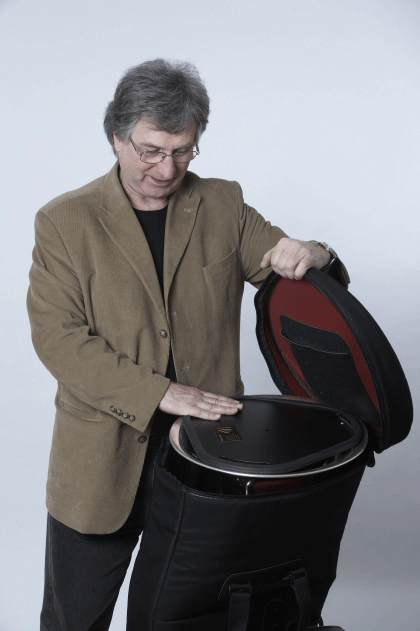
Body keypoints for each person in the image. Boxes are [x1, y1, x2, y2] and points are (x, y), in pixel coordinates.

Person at [27, 58, 349, 631]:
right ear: (116, 137)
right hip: (98, 463)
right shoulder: (63, 221)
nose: (166, 167)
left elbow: (292, 274)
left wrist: (317, 251)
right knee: (73, 621)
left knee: (193, 620)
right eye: (150, 150)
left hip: (208, 458)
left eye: (182, 151)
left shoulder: (223, 203)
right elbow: (59, 338)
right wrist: (159, 392)